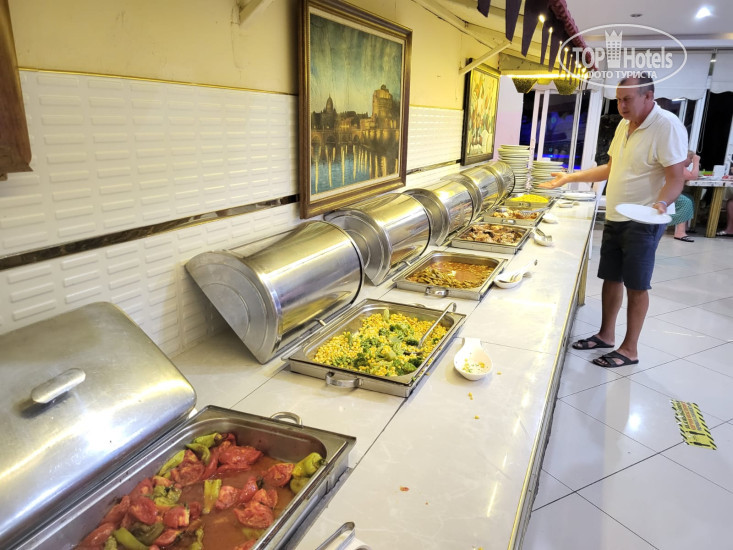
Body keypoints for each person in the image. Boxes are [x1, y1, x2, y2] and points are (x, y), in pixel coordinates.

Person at [540, 74, 688, 368]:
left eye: (627, 99)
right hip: (616, 214)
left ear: (648, 96)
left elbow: (676, 178)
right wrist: (569, 177)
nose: (621, 106)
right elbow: (611, 168)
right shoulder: (624, 124)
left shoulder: (667, 126)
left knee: (636, 285)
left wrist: (661, 203)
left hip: (644, 219)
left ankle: (630, 350)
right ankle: (606, 335)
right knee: (611, 277)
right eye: (618, 100)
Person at [669, 151, 700, 242]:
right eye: (690, 159)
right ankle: (680, 232)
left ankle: (684, 227)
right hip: (667, 194)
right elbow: (693, 176)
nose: (691, 162)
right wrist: (696, 161)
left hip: (671, 192)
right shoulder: (678, 165)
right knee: (685, 201)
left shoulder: (680, 166)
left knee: (689, 197)